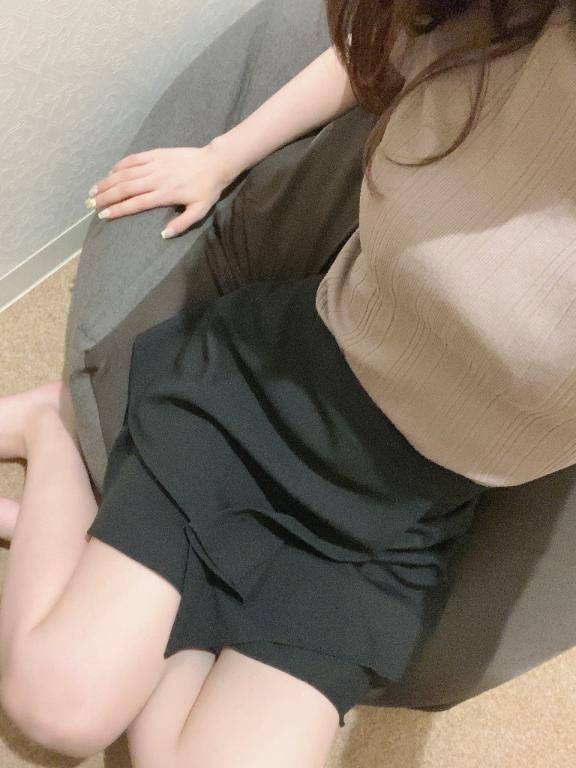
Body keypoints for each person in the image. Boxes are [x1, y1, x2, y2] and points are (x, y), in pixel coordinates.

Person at [0, 0, 573, 763]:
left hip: (398, 525)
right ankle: (53, 427)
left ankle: (151, 584)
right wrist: (220, 156)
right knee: (57, 709)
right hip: (273, 397)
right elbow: (377, 47)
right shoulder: (520, 33)